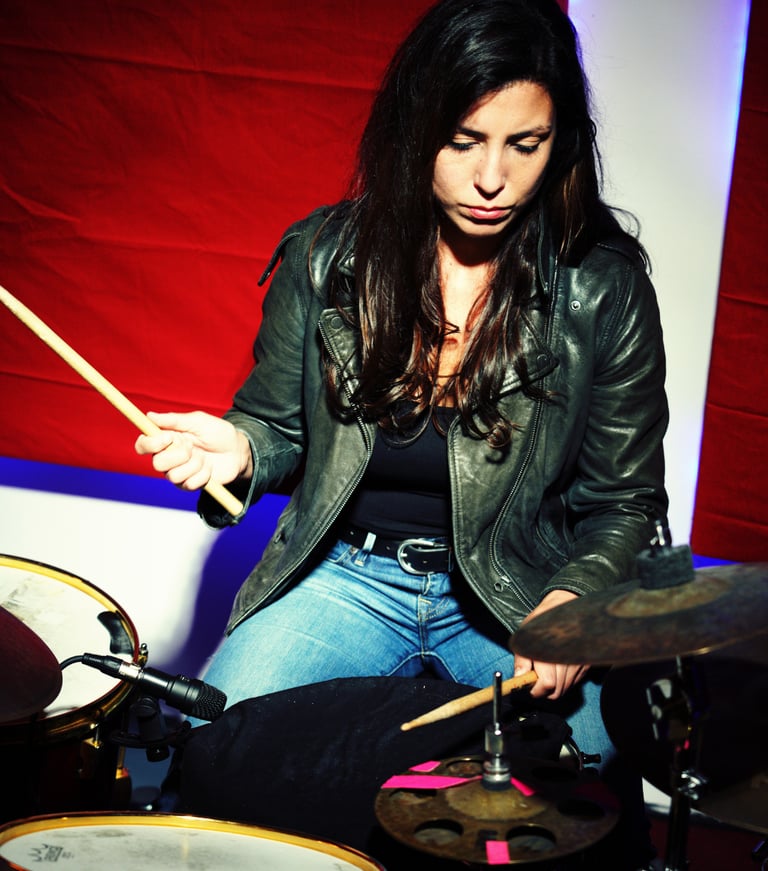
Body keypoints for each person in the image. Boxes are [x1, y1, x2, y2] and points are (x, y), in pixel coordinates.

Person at [136, 1, 668, 867]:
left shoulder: (602, 289)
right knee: (219, 745)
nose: (493, 177)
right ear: (417, 128)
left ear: (560, 142)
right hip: (347, 576)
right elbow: (275, 426)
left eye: (525, 144)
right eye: (464, 141)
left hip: (518, 588)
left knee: (589, 788)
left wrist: (577, 602)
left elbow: (625, 503)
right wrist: (242, 450)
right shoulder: (325, 255)